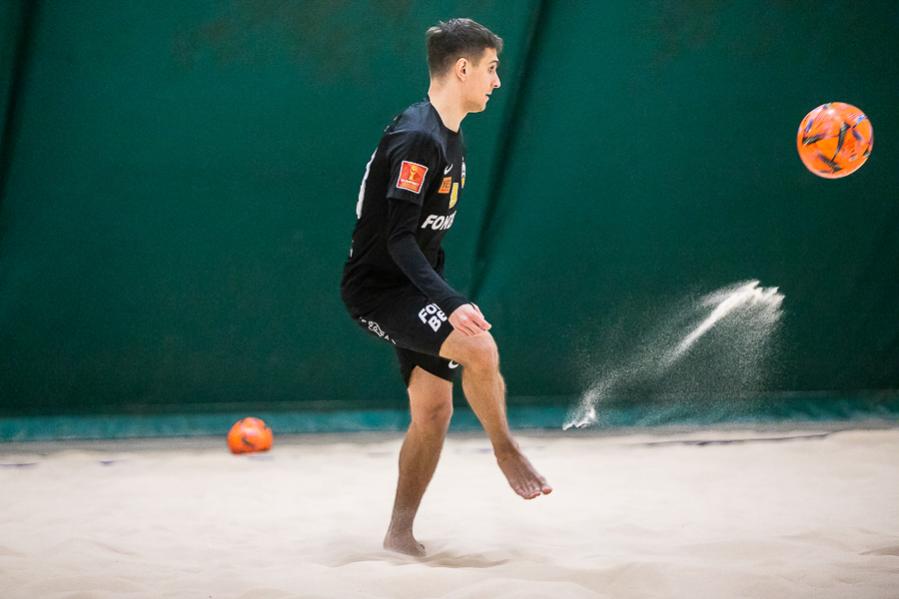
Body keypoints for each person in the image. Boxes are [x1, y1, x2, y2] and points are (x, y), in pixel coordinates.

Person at [340, 18, 552, 557]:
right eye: (491, 69)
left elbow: (419, 239)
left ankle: (398, 535)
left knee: (434, 412)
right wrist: (451, 302)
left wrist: (439, 297)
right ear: (462, 69)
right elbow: (398, 238)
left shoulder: (448, 134)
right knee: (481, 346)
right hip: (379, 290)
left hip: (413, 287)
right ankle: (505, 450)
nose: (497, 81)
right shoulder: (419, 137)